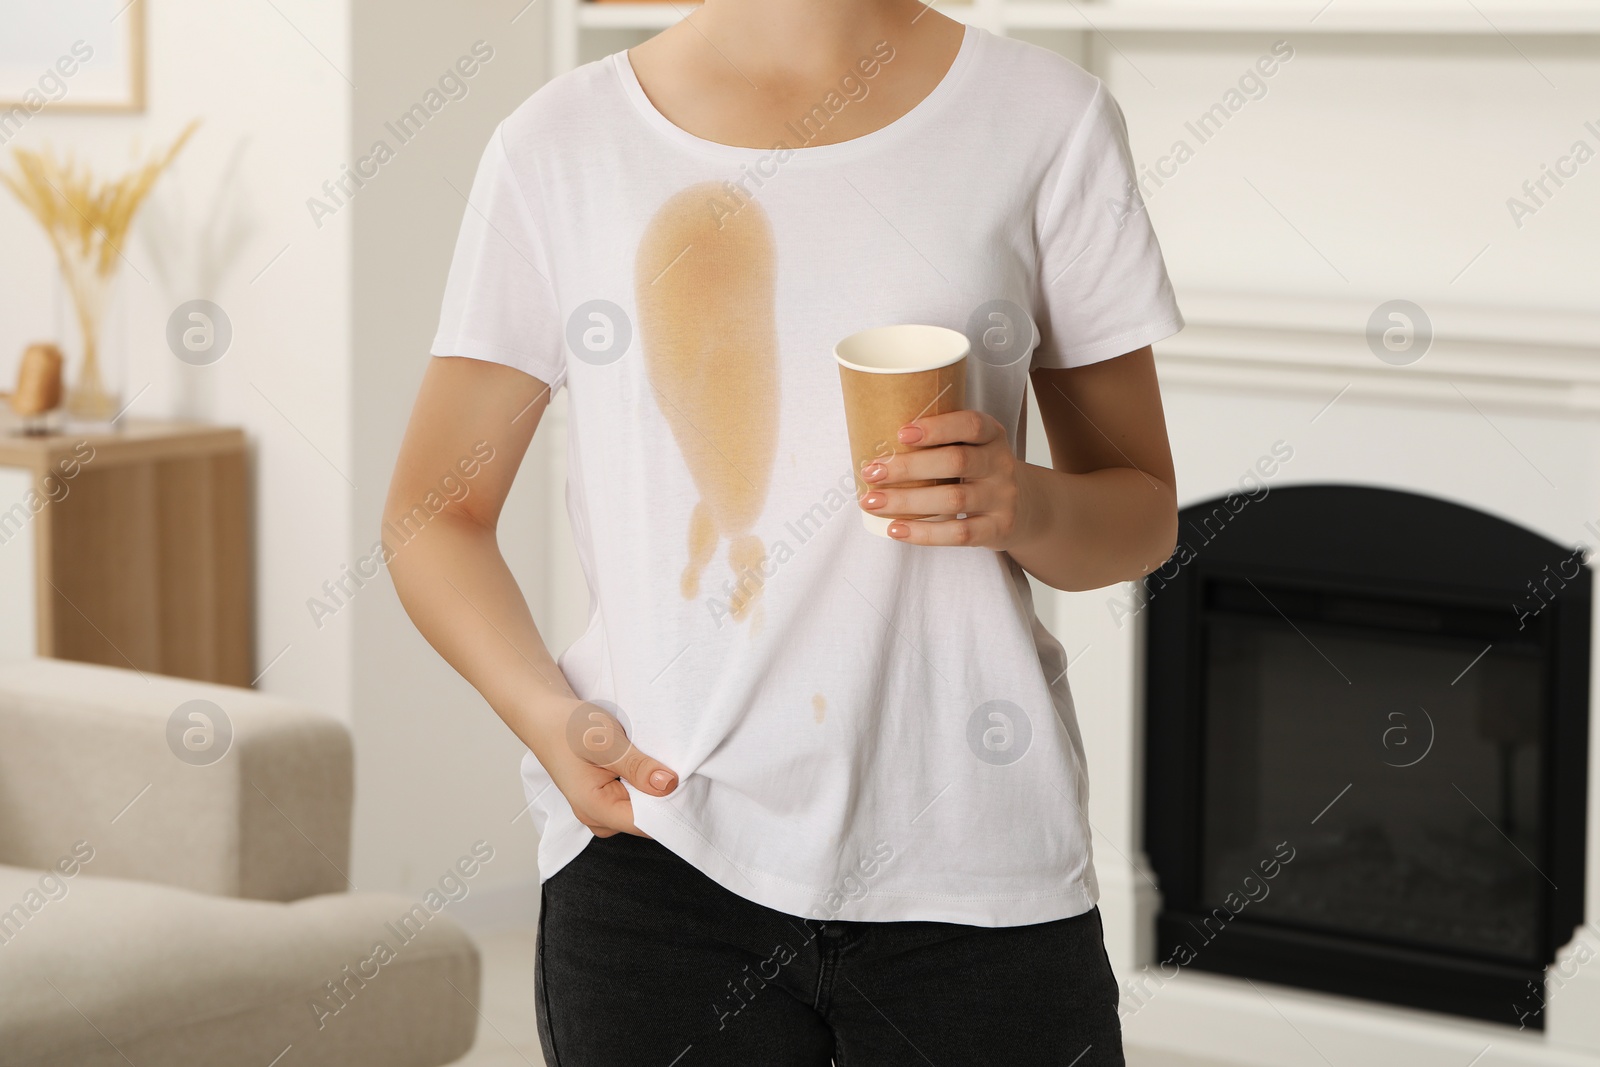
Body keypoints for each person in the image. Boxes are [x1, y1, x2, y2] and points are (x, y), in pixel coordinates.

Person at [385, 0, 1182, 1062]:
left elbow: (1141, 514)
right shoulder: (558, 143)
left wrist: (1020, 501)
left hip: (977, 876)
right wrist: (545, 716)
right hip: (656, 857)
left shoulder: (1047, 118)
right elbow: (434, 515)